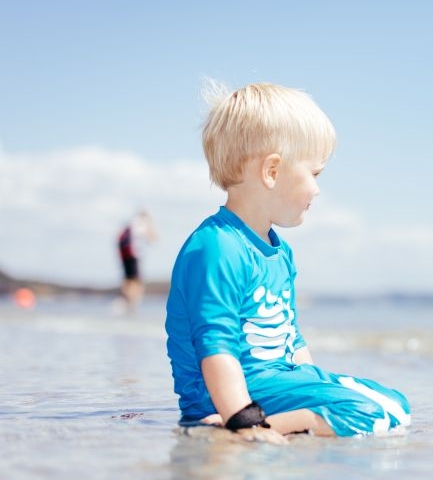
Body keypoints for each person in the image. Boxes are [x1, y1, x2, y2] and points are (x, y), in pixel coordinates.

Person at [165, 81, 411, 443]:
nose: (318, 188)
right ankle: (246, 427)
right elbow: (215, 344)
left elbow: (291, 337)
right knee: (370, 412)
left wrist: (312, 383)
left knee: (395, 403)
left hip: (275, 382)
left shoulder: (280, 252)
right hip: (227, 396)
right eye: (315, 173)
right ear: (272, 171)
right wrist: (241, 418)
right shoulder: (217, 247)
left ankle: (286, 420)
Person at [117, 210, 157, 313]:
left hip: (126, 256)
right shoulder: (141, 224)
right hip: (135, 256)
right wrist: (151, 225)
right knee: (137, 282)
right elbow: (153, 238)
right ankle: (131, 305)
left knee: (129, 280)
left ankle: (125, 302)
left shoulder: (131, 223)